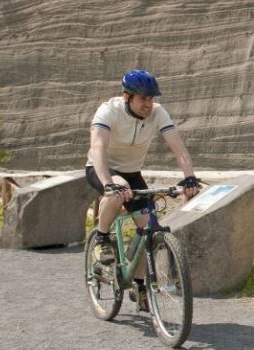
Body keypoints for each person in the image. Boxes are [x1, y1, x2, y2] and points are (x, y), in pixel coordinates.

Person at [85, 69, 200, 312]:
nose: (149, 103)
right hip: (101, 168)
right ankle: (102, 238)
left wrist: (189, 178)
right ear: (127, 96)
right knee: (119, 189)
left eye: (151, 98)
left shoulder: (157, 113)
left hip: (132, 172)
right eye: (143, 98)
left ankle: (139, 285)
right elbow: (97, 148)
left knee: (148, 227)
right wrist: (108, 182)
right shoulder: (109, 110)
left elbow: (178, 148)